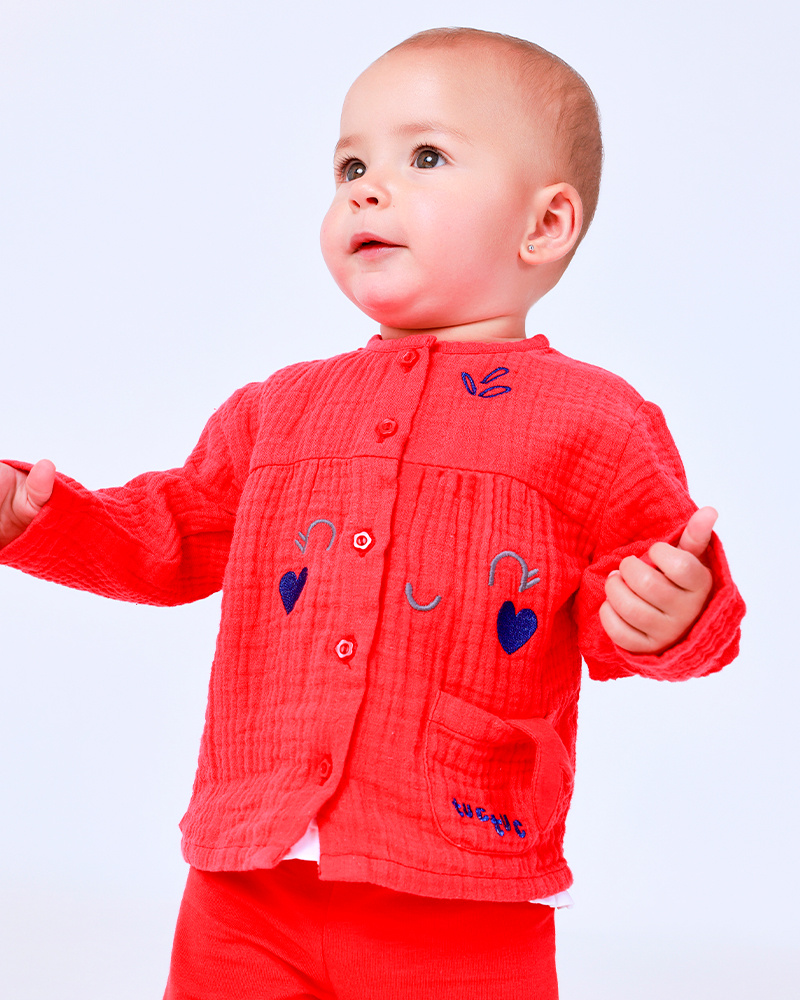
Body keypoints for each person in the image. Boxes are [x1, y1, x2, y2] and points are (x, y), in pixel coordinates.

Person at [0, 26, 745, 1000]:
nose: (365, 185)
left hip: (463, 896)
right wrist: (35, 519)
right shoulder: (281, 405)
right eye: (350, 162)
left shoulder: (595, 421)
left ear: (543, 225)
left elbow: (643, 603)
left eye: (423, 156)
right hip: (244, 885)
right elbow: (171, 533)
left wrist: (671, 613)